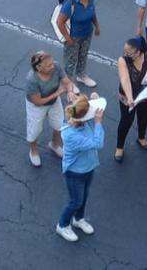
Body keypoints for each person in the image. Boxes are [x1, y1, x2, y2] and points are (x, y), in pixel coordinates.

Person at [56, 94, 105, 242]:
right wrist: (98, 123)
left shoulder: (76, 117)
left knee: (83, 197)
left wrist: (94, 100)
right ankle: (62, 225)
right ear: (83, 117)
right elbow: (98, 143)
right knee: (75, 201)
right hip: (75, 173)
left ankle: (78, 219)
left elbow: (84, 109)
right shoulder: (71, 135)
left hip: (88, 168)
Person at [115, 36, 147, 160]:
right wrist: (130, 98)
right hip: (128, 97)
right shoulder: (123, 60)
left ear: (138, 52)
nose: (125, 55)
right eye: (124, 52)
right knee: (126, 121)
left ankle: (141, 138)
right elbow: (125, 79)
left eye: (129, 53)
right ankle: (119, 147)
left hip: (146, 95)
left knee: (144, 117)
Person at [25, 51, 70, 167]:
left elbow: (66, 82)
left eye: (52, 63)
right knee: (35, 129)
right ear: (39, 67)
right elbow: (38, 102)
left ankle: (55, 144)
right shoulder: (32, 80)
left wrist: (70, 91)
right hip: (37, 105)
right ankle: (33, 151)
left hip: (53, 100)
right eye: (49, 65)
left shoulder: (56, 66)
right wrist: (57, 93)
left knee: (59, 124)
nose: (53, 66)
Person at [56, 0, 100, 90]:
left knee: (83, 55)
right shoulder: (70, 3)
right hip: (73, 36)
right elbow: (59, 22)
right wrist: (68, 38)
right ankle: (68, 82)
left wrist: (97, 26)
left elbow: (92, 14)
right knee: (71, 59)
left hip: (87, 33)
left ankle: (81, 75)